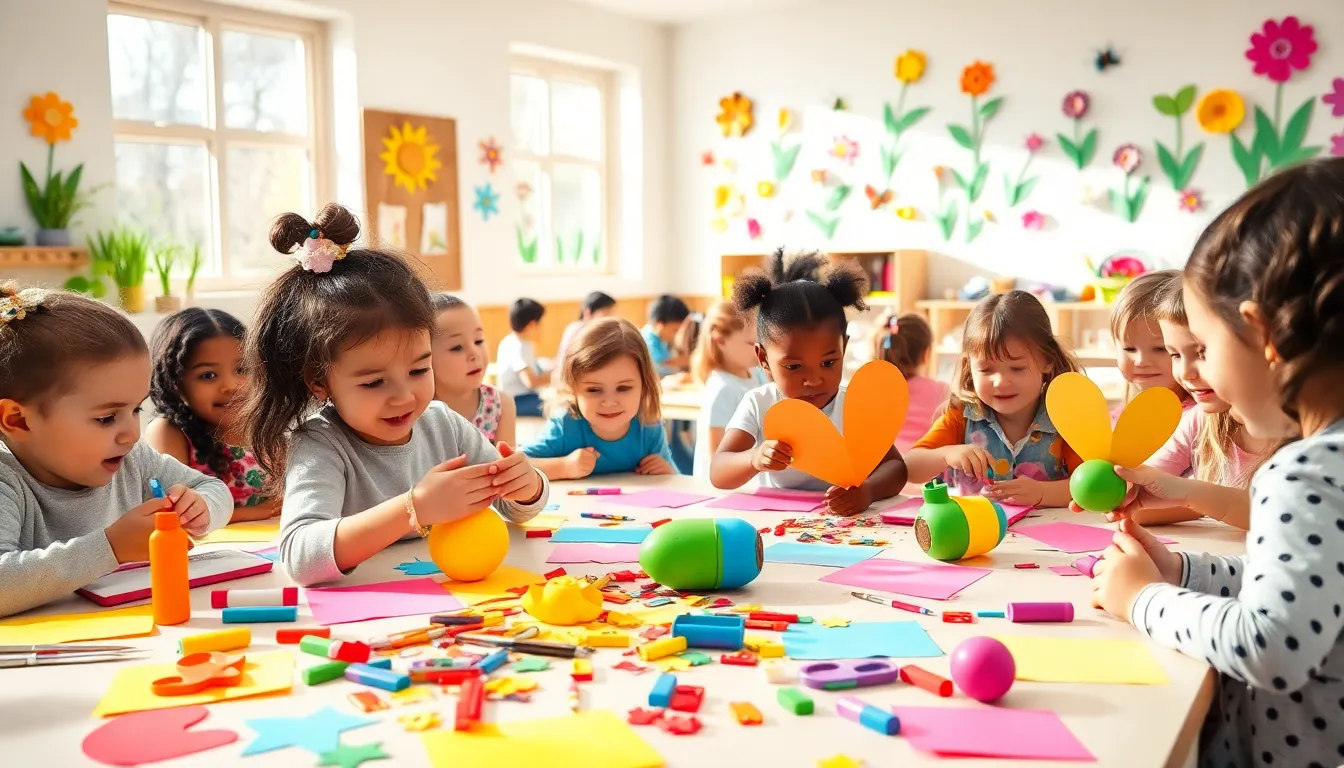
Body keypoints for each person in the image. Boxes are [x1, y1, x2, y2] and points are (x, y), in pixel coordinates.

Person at [1090, 158, 1344, 767]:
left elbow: (1272, 645)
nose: (1194, 371)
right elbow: (1307, 595)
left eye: (1203, 347)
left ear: (1262, 333)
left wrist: (1142, 599)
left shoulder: (1305, 469)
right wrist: (1180, 569)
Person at [242, 204, 548, 587]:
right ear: (318, 381)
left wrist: (526, 485)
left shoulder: (443, 426)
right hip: (369, 611)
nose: (404, 397)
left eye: (419, 370)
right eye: (374, 382)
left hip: (451, 598)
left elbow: (516, 509)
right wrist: (414, 508)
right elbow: (300, 557)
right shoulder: (321, 444)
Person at [0, 284, 231, 617]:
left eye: (136, 410)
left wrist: (201, 509)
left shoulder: (131, 459)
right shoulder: (7, 480)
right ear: (18, 421)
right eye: (107, 418)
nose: (132, 433)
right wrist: (110, 547)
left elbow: (211, 488)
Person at [710, 249, 908, 515]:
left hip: (845, 527)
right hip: (778, 524)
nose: (814, 380)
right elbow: (719, 471)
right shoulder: (759, 403)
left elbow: (896, 469)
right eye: (794, 367)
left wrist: (869, 491)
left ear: (843, 348)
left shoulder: (854, 404)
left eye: (828, 363)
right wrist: (754, 458)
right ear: (763, 358)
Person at [1112, 278, 1271, 528]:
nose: (1184, 372)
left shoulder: (1307, 435)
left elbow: (1274, 516)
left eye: (1201, 352)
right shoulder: (1202, 420)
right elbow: (1140, 502)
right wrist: (1126, 495)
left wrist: (1193, 497)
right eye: (1175, 354)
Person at [903, 291, 1082, 507]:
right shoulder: (962, 415)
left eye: (1017, 368)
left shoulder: (1063, 418)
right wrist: (945, 454)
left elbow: (1091, 486)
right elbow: (909, 468)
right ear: (970, 366)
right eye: (986, 370)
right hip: (978, 536)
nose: (1000, 382)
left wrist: (1043, 493)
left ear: (1048, 360)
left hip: (1048, 537)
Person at [146, 308, 278, 523]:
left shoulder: (266, 428)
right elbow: (171, 512)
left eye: (242, 369)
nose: (230, 385)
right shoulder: (169, 432)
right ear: (174, 383)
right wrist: (257, 512)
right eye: (208, 375)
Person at [523, 317, 675, 479]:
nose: (609, 402)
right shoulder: (566, 427)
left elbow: (679, 481)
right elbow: (516, 465)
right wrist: (564, 466)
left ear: (645, 385)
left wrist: (667, 471)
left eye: (623, 388)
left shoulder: (649, 427)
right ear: (573, 389)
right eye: (594, 390)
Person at [690, 301, 767, 478]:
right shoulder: (722, 389)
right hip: (725, 490)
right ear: (720, 340)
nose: (760, 349)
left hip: (749, 482)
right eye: (751, 343)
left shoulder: (756, 375)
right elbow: (716, 457)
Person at [431, 294, 515, 446]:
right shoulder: (419, 411)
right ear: (426, 358)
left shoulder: (499, 404)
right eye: (457, 347)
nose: (474, 354)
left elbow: (508, 464)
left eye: (478, 340)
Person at [1109, 270, 1192, 413]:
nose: (1141, 361)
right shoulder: (1122, 415)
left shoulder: (1197, 419)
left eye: (1160, 348)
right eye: (1129, 349)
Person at [872, 312, 949, 454]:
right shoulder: (941, 391)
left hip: (882, 467)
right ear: (926, 354)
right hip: (924, 469)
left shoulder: (872, 391)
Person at [497, 298, 549, 417]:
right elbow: (530, 382)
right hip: (517, 401)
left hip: (514, 399)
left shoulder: (510, 341)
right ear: (532, 325)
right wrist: (553, 378)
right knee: (556, 403)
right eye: (539, 323)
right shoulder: (520, 346)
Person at [557, 291, 615, 365]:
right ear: (588, 312)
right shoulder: (577, 329)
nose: (609, 318)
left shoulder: (599, 331)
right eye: (605, 314)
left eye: (611, 314)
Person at [642, 294, 690, 376]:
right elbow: (663, 364)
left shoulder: (663, 339)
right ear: (660, 325)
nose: (678, 334)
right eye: (675, 330)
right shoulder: (647, 340)